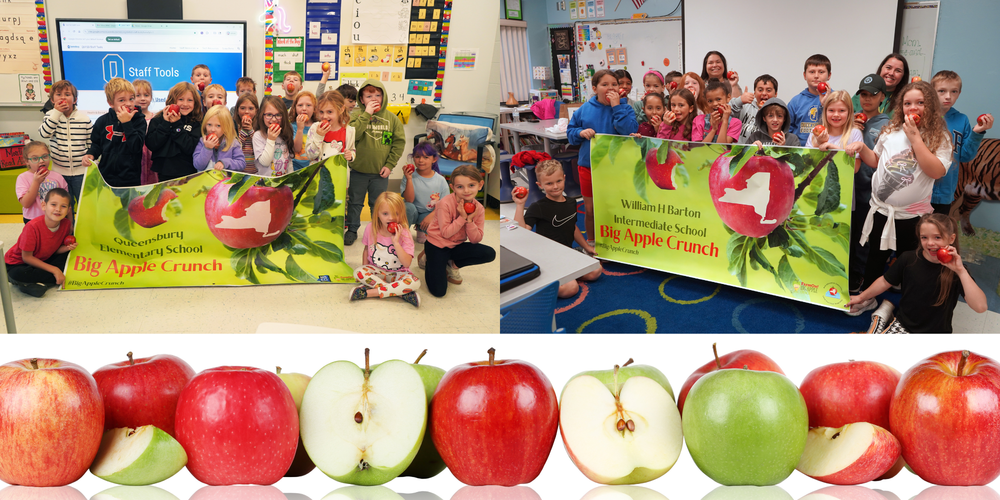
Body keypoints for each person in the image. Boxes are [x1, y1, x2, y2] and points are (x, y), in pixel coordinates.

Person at [845, 80, 953, 315]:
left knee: (913, 262)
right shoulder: (890, 131)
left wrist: (915, 139)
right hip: (881, 210)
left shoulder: (940, 136)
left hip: (913, 216)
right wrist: (862, 149)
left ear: (930, 105)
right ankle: (868, 299)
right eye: (907, 103)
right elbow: (876, 161)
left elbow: (936, 171)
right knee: (875, 257)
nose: (912, 108)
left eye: (920, 103)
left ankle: (910, 306)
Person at [845, 214, 987, 332]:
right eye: (924, 237)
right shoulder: (908, 259)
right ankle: (880, 317)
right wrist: (861, 297)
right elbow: (884, 281)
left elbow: (980, 307)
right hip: (904, 326)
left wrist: (961, 271)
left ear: (951, 239)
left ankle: (882, 314)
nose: (930, 243)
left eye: (937, 237)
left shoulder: (957, 271)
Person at [567, 69, 638, 247]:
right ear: (595, 88)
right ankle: (592, 242)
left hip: (616, 168)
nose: (610, 88)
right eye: (605, 84)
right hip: (589, 166)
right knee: (590, 209)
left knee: (615, 207)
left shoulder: (626, 108)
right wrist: (580, 132)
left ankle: (618, 243)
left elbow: (628, 130)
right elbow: (570, 133)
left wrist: (616, 107)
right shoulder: (585, 109)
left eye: (614, 84)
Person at [513, 159, 601, 299]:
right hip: (548, 258)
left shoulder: (571, 202)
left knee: (596, 271)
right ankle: (544, 280)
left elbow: (572, 227)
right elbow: (521, 232)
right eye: (549, 183)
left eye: (558, 181)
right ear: (540, 185)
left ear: (564, 178)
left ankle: (566, 274)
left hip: (566, 253)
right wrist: (520, 205)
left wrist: (587, 247)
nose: (555, 186)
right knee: (571, 289)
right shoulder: (538, 207)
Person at [345, 79, 406, 246]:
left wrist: (390, 165)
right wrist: (366, 114)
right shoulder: (355, 116)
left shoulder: (392, 119)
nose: (374, 99)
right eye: (369, 96)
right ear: (361, 99)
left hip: (380, 172)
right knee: (355, 202)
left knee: (378, 204)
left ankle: (377, 230)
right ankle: (352, 229)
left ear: (383, 96)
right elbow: (353, 135)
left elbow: (398, 143)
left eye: (378, 95)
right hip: (358, 170)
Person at [420, 165, 495, 297]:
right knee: (439, 292)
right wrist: (462, 218)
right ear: (453, 187)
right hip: (437, 245)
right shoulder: (444, 203)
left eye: (471, 185)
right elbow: (446, 233)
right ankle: (427, 257)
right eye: (460, 186)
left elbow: (475, 240)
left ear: (480, 185)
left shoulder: (479, 208)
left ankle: (452, 264)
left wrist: (470, 221)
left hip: (456, 246)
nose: (466, 191)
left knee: (489, 253)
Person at [930, 70, 994, 215]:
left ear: (959, 93)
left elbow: (965, 156)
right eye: (942, 91)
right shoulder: (923, 116)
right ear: (932, 92)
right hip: (920, 190)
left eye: (954, 91)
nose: (948, 96)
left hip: (946, 192)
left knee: (938, 227)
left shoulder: (962, 119)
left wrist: (977, 132)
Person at [849, 74, 891, 292]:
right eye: (863, 94)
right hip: (849, 188)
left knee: (863, 237)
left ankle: (859, 274)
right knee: (849, 232)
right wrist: (852, 127)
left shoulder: (887, 125)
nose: (867, 99)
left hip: (869, 191)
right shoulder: (852, 120)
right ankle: (847, 270)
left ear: (882, 96)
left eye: (872, 95)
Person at [350, 191, 422, 307]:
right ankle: (401, 293)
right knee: (358, 272)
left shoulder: (404, 233)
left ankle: (369, 293)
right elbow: (366, 249)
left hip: (399, 274)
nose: (391, 218)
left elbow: (407, 263)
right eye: (385, 213)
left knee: (415, 282)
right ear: (377, 213)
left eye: (396, 213)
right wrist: (364, 269)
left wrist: (396, 243)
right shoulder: (370, 228)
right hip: (377, 272)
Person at [4, 188, 75, 297]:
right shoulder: (32, 227)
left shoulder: (66, 225)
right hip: (19, 263)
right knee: (18, 274)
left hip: (42, 258)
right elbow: (27, 257)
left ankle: (34, 284)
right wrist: (55, 270)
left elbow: (54, 250)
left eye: (63, 206)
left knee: (68, 257)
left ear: (68, 210)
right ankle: (35, 281)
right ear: (44, 205)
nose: (58, 209)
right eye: (53, 205)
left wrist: (67, 248)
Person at [82, 77, 146, 187]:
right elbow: (96, 144)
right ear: (111, 103)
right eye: (122, 100)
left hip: (130, 178)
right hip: (106, 177)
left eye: (131, 99)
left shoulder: (139, 120)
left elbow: (136, 147)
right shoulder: (102, 121)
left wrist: (126, 123)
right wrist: (90, 154)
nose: (128, 103)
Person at [38, 80, 91, 206]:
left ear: (74, 99)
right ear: (52, 100)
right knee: (64, 206)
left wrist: (92, 159)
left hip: (81, 172)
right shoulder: (50, 116)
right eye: (58, 94)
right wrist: (56, 113)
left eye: (67, 94)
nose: (63, 98)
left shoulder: (84, 118)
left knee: (85, 204)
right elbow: (44, 134)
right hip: (59, 172)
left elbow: (91, 142)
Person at [146, 82, 203, 182]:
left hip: (189, 172)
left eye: (190, 100)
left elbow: (190, 147)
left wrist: (177, 125)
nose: (185, 104)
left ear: (195, 103)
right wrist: (165, 123)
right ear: (172, 100)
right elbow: (152, 144)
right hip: (164, 172)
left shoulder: (196, 122)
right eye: (181, 99)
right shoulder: (159, 119)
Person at [400, 141, 448, 245]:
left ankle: (420, 228)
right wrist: (409, 179)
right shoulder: (409, 175)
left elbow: (444, 204)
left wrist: (431, 216)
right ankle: (402, 236)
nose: (421, 160)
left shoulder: (441, 180)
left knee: (438, 237)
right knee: (408, 207)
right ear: (413, 158)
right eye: (417, 157)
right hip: (411, 212)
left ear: (434, 159)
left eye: (426, 157)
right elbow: (409, 200)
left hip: (428, 214)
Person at [16, 142, 67, 224]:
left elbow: (66, 202)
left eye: (45, 156)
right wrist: (36, 182)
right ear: (27, 161)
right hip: (33, 219)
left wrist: (70, 222)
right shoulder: (23, 178)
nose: (41, 161)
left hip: (56, 218)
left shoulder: (57, 177)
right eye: (35, 158)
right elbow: (26, 204)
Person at [787, 54, 832, 144]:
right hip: (800, 150)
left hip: (828, 148)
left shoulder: (836, 98)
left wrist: (825, 104)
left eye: (821, 72)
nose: (816, 76)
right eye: (812, 72)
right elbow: (787, 130)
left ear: (829, 75)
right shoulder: (795, 102)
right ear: (804, 75)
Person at [304, 90, 356, 163]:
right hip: (319, 170)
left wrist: (351, 156)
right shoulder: (315, 128)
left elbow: (352, 150)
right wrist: (319, 136)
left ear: (341, 109)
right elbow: (310, 155)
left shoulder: (349, 131)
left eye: (329, 112)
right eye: (321, 112)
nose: (324, 116)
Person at [852, 54, 909, 118]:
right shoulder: (861, 94)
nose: (891, 73)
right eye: (888, 68)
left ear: (903, 75)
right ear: (881, 68)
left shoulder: (905, 100)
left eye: (898, 71)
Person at [193, 105, 246, 172]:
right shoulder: (202, 141)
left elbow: (241, 164)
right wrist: (207, 148)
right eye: (209, 124)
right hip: (207, 178)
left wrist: (224, 163)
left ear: (226, 127)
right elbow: (198, 165)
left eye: (218, 126)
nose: (213, 129)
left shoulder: (233, 143)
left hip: (225, 178)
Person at [252, 95, 294, 176]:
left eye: (278, 115)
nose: (274, 119)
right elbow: (265, 162)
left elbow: (289, 161)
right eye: (269, 115)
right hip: (265, 181)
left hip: (283, 180)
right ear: (262, 116)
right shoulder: (258, 136)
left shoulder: (286, 133)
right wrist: (271, 139)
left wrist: (291, 177)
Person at [730, 74, 777, 143]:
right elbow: (726, 112)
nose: (764, 93)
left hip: (762, 149)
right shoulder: (745, 106)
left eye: (768, 90)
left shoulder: (778, 112)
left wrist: (767, 112)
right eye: (760, 90)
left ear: (775, 94)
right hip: (740, 148)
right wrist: (740, 100)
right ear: (754, 93)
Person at [697, 79, 741, 144]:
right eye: (710, 101)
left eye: (718, 99)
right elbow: (699, 148)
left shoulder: (735, 123)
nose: (715, 104)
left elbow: (722, 147)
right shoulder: (699, 120)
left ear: (728, 98)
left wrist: (725, 120)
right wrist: (713, 129)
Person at [132, 79, 158, 185]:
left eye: (146, 95)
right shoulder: (128, 118)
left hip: (152, 158)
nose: (142, 98)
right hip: (136, 159)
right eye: (138, 95)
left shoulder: (156, 118)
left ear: (151, 97)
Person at [290, 91, 317, 171]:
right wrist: (300, 129)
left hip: (312, 168)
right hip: (295, 168)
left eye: (308, 105)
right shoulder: (292, 127)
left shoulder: (317, 127)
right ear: (295, 108)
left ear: (314, 108)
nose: (304, 108)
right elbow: (296, 149)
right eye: (300, 105)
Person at [233, 93, 259, 174]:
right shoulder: (234, 127)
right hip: (238, 172)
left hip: (256, 172)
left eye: (251, 108)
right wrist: (243, 131)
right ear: (237, 110)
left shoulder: (259, 128)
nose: (246, 112)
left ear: (256, 111)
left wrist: (251, 131)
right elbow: (236, 147)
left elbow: (258, 146)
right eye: (242, 108)